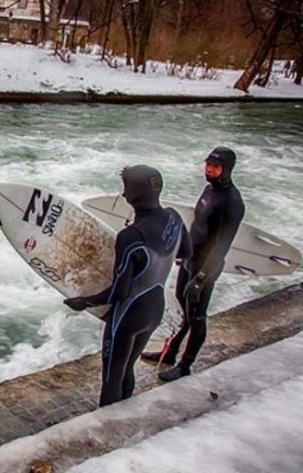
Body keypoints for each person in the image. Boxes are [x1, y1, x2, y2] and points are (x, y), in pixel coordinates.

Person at [64, 165, 191, 406]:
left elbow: (118, 292)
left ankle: (107, 430)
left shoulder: (131, 236)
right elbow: (186, 252)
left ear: (134, 195)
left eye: (126, 189)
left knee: (112, 377)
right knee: (128, 367)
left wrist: (85, 301)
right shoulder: (174, 217)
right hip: (155, 310)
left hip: (127, 316)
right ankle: (125, 414)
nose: (122, 195)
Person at [142, 147, 244, 381]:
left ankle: (185, 366)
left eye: (216, 167)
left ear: (227, 169)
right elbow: (198, 228)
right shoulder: (209, 189)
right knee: (184, 312)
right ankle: (170, 353)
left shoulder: (232, 202)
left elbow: (221, 246)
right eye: (208, 165)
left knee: (197, 316)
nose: (209, 170)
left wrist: (200, 280)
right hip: (190, 260)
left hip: (206, 267)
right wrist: (182, 252)